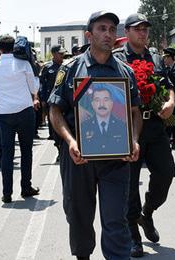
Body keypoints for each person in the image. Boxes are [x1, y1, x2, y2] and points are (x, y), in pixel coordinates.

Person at [48, 11, 142, 260]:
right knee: (78, 216)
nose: (108, 34)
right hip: (79, 159)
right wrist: (70, 141)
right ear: (89, 35)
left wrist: (133, 139)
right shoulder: (69, 69)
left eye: (112, 29)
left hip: (116, 160)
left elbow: (134, 112)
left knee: (115, 220)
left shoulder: (125, 72)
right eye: (102, 28)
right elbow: (55, 111)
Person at [113, 13, 175, 257]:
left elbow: (169, 86)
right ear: (127, 32)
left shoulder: (156, 58)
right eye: (137, 29)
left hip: (156, 127)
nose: (143, 33)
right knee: (129, 184)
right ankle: (133, 235)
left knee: (166, 174)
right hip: (129, 128)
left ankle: (147, 213)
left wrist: (170, 103)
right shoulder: (118, 59)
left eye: (145, 29)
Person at [0, 35, 41, 203]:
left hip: (4, 112)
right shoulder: (23, 64)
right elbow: (34, 88)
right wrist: (35, 73)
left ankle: (7, 192)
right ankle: (26, 187)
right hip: (24, 110)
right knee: (26, 151)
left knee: (7, 154)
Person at [80, 85, 128, 155]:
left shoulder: (122, 126)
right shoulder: (83, 127)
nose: (101, 104)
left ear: (112, 103)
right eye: (97, 100)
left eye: (106, 100)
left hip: (117, 163)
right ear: (92, 104)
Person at [39, 44, 65, 142]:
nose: (62, 55)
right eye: (60, 53)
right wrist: (42, 99)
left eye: (63, 53)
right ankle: (53, 135)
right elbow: (42, 84)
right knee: (52, 117)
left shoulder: (66, 66)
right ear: (53, 54)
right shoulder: (47, 66)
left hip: (62, 97)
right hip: (50, 97)